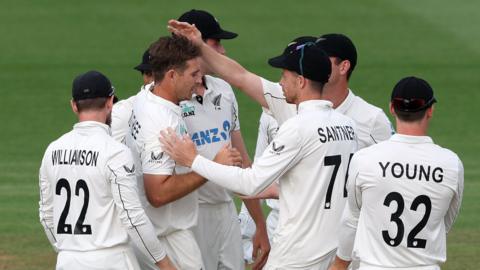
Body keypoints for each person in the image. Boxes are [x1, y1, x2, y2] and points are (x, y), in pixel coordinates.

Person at [159, 41, 358, 269]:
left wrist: (193, 159)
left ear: (301, 81)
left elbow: (250, 182)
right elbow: (319, 181)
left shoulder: (297, 128)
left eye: (284, 75)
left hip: (296, 256)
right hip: (332, 252)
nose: (280, 83)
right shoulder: (347, 126)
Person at [167, 21, 393, 143]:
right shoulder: (287, 97)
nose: (317, 60)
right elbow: (241, 77)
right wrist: (200, 45)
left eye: (324, 57)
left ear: (344, 67)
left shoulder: (372, 120)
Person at [124, 36, 242, 270]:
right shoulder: (161, 123)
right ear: (171, 75)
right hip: (166, 236)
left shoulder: (148, 95)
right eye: (193, 74)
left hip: (163, 231)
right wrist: (213, 167)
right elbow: (157, 194)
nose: (199, 80)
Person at [38, 70, 175, 270]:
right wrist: (165, 264)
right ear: (110, 102)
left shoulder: (52, 150)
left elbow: (46, 214)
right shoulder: (115, 152)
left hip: (67, 261)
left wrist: (68, 251)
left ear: (74, 106)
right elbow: (132, 217)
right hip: (112, 260)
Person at [329, 77, 464, 270]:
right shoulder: (451, 164)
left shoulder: (364, 159)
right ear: (430, 110)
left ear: (392, 108)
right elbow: (443, 223)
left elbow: (352, 219)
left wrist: (340, 264)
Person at [177, 9, 270, 270]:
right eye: (216, 43)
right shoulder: (169, 98)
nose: (223, 51)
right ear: (193, 43)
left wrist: (259, 225)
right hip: (189, 216)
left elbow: (243, 163)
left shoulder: (224, 90)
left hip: (225, 211)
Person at [238, 110, 279, 264]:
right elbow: (259, 174)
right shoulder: (270, 113)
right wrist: (246, 229)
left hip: (326, 225)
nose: (281, 84)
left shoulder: (358, 116)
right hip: (278, 223)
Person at [111, 49, 154, 143]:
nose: (152, 81)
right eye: (148, 74)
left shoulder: (189, 101)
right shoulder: (123, 110)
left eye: (158, 74)